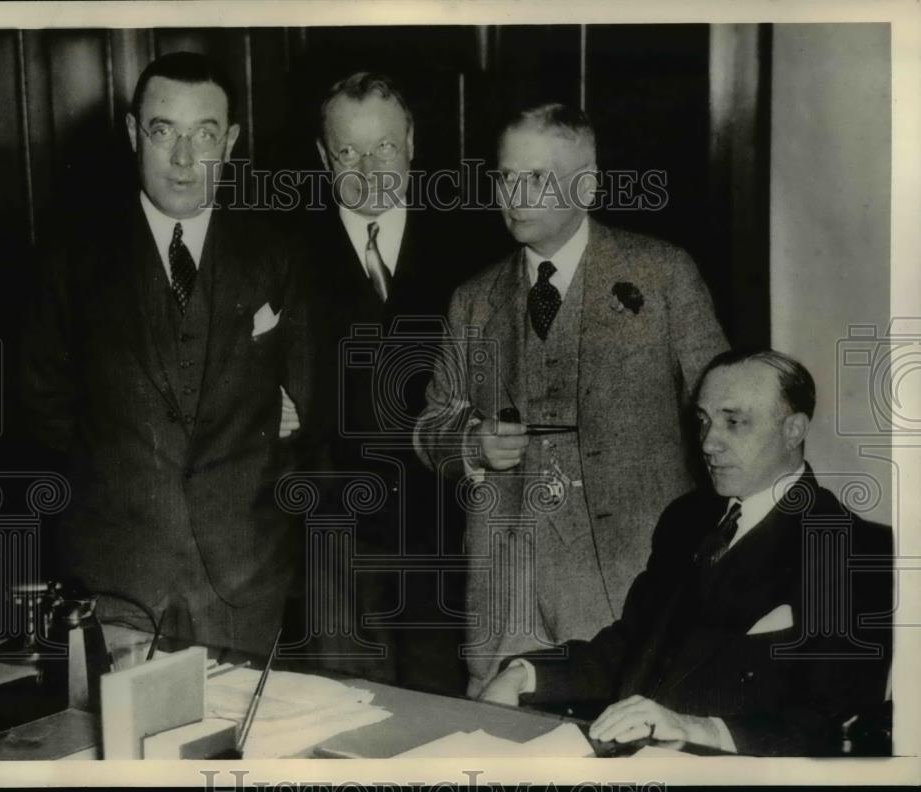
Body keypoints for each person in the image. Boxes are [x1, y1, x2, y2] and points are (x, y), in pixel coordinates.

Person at [415, 102, 729, 696]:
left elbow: (723, 411)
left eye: (537, 177)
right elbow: (432, 422)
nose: (515, 194)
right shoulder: (473, 299)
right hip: (509, 591)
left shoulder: (663, 276)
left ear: (586, 185)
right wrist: (470, 444)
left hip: (631, 582)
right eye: (506, 177)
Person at [20, 52, 312, 654]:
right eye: (163, 132)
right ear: (133, 135)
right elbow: (42, 405)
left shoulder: (278, 256)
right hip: (117, 578)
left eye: (203, 134)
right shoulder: (71, 260)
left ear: (229, 141)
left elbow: (313, 404)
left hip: (245, 583)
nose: (183, 159)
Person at [479, 350, 893, 757]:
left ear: (793, 430)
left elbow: (833, 722)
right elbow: (632, 645)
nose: (709, 443)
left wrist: (695, 729)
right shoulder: (688, 518)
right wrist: (525, 674)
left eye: (734, 422)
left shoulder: (854, 548)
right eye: (704, 421)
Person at [284, 72, 476, 693]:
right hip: (327, 542)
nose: (369, 168)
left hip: (444, 540)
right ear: (322, 156)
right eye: (348, 152)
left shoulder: (470, 244)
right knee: (343, 723)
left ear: (413, 142)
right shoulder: (278, 251)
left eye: (385, 147)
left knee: (441, 720)